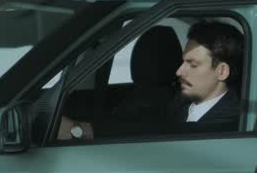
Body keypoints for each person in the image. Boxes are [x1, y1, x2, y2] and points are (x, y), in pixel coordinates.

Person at [58, 19, 244, 140]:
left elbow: (165, 134)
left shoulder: (233, 119)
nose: (179, 71)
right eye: (181, 61)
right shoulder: (180, 101)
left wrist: (80, 131)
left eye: (192, 64)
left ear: (221, 71)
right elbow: (140, 122)